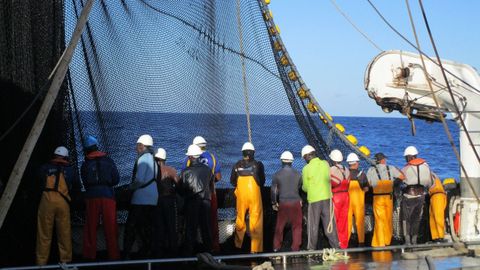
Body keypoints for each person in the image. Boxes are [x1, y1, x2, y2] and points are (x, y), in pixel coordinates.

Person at [81, 135, 120, 260]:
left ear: (86, 149)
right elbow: (116, 179)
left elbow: (85, 182)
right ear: (96, 146)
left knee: (91, 227)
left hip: (92, 196)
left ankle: (89, 256)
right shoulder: (109, 161)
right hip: (108, 196)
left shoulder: (85, 164)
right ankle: (114, 256)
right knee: (111, 227)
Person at [36, 146, 74, 265]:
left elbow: (38, 181)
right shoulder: (70, 170)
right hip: (63, 202)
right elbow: (76, 184)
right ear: (66, 156)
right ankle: (65, 260)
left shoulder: (44, 168)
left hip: (47, 201)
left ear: (54, 155)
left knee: (44, 233)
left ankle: (41, 262)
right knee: (64, 232)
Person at [123, 134, 158, 259]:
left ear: (142, 146)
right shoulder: (154, 160)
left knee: (131, 227)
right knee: (147, 228)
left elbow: (139, 180)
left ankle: (126, 255)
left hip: (141, 199)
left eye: (138, 146)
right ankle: (148, 253)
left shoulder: (143, 159)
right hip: (153, 199)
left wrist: (128, 188)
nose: (136, 148)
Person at [183, 136, 222, 252]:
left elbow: (184, 177)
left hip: (192, 197)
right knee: (211, 223)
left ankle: (190, 250)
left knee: (191, 224)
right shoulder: (213, 158)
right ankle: (214, 248)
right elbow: (218, 177)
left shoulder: (188, 160)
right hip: (209, 194)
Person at [301, 145, 339, 250]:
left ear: (308, 156)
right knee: (330, 225)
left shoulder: (306, 169)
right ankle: (337, 248)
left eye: (304, 158)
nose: (304, 160)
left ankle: (311, 249)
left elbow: (305, 187)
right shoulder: (325, 164)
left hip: (314, 200)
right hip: (327, 198)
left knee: (313, 226)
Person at [230, 142, 265, 253]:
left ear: (243, 153)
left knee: (240, 219)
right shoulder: (258, 164)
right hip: (254, 195)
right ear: (253, 153)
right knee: (256, 222)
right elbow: (262, 181)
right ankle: (256, 249)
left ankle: (237, 246)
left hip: (241, 196)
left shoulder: (236, 165)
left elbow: (232, 181)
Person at [180, 144, 215, 255]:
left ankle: (189, 254)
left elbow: (181, 190)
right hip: (206, 202)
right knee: (206, 228)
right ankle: (209, 253)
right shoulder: (208, 170)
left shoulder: (185, 172)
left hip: (192, 202)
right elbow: (211, 184)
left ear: (190, 157)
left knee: (191, 229)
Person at [366, 152, 404, 247]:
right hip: (389, 198)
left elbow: (368, 184)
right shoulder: (390, 168)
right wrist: (393, 184)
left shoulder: (371, 170)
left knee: (379, 220)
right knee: (388, 220)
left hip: (377, 198)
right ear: (383, 160)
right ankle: (387, 241)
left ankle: (378, 243)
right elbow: (402, 177)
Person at [401, 146, 436, 245]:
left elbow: (401, 181)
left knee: (406, 219)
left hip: (409, 196)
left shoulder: (406, 167)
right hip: (421, 196)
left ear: (409, 157)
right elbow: (431, 182)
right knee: (416, 218)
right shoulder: (426, 166)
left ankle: (407, 240)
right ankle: (414, 240)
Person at [270, 151, 303, 252]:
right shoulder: (298, 174)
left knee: (280, 226)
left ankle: (276, 247)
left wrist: (274, 202)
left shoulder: (277, 175)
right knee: (297, 227)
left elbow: (274, 191)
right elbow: (299, 188)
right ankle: (295, 248)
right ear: (292, 162)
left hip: (283, 203)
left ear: (282, 161)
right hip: (296, 203)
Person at [153, 148, 180, 257]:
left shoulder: (152, 170)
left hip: (155, 201)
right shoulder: (170, 170)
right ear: (165, 158)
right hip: (169, 201)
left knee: (158, 227)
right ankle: (173, 252)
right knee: (171, 226)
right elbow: (179, 185)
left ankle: (158, 252)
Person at [346, 153, 369, 247]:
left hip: (348, 201)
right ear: (356, 163)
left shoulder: (345, 173)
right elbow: (366, 188)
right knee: (359, 222)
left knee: (347, 222)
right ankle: (361, 242)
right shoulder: (361, 174)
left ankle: (345, 243)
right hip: (358, 202)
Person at [329, 149, 350, 249]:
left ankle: (337, 244)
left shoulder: (331, 169)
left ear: (332, 159)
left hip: (336, 197)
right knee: (344, 221)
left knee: (335, 221)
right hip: (346, 197)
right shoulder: (346, 169)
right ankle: (344, 244)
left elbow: (330, 183)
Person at [429, 176, 447, 242]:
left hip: (437, 196)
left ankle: (440, 237)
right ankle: (435, 237)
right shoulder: (431, 174)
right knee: (432, 218)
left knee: (438, 217)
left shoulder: (430, 175)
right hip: (434, 196)